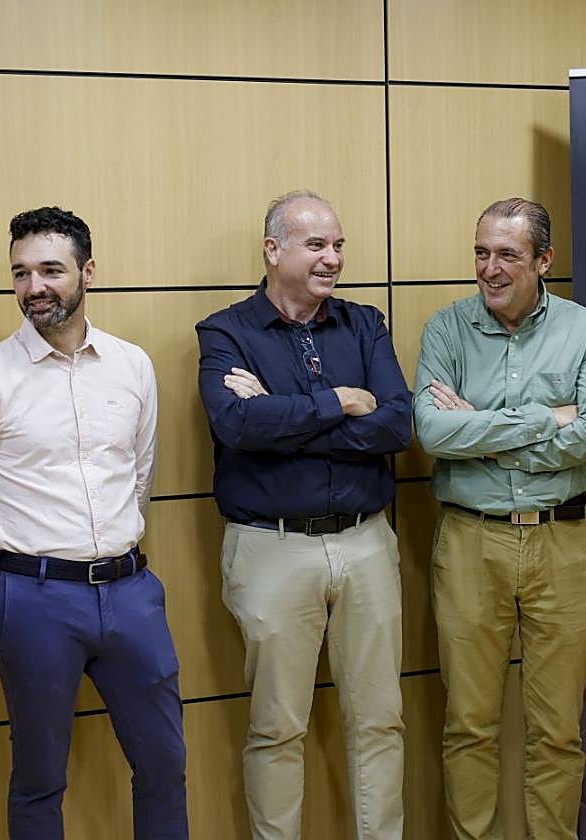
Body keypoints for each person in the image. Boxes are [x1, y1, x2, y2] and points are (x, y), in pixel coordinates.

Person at [0, 206, 188, 839]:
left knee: (164, 765)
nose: (34, 287)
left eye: (51, 269)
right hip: (33, 598)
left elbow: (139, 475)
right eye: (21, 273)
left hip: (131, 593)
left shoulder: (133, 367)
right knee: (38, 779)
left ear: (88, 273)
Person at [195, 190, 410, 839]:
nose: (333, 258)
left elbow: (396, 424)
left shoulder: (364, 323)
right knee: (276, 727)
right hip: (271, 548)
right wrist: (338, 402)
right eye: (317, 244)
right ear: (273, 250)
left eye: (338, 244)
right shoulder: (226, 332)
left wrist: (286, 415)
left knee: (380, 722)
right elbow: (236, 424)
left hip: (368, 544)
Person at [413, 197, 586, 839]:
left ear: (544, 261)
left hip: (562, 541)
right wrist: (544, 418)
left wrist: (480, 426)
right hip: (471, 543)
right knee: (468, 724)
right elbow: (432, 432)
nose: (491, 268)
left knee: (558, 729)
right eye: (481, 253)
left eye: (507, 254)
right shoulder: (447, 329)